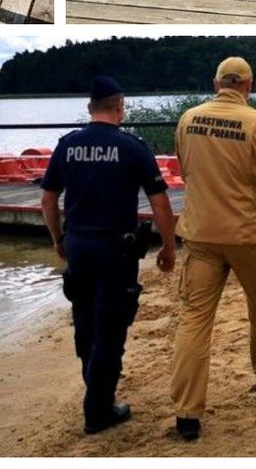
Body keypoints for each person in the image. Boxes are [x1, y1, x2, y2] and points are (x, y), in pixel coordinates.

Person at [40, 76, 177, 435]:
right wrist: (168, 245)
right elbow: (159, 201)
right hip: (115, 251)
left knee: (85, 323)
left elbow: (48, 199)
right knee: (111, 330)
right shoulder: (132, 146)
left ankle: (95, 391)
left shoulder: (67, 145)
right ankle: (98, 410)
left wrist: (58, 238)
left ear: (89, 108)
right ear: (120, 107)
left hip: (79, 247)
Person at [170, 56, 256, 441]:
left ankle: (187, 414)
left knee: (194, 318)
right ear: (247, 85)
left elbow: (184, 167)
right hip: (244, 234)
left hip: (200, 234)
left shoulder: (188, 119)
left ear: (216, 83)